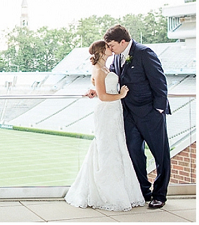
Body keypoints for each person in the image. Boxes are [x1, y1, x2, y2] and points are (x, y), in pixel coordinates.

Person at [66, 40, 145, 212]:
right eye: (107, 47)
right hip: (107, 112)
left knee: (115, 147)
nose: (110, 49)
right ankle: (107, 192)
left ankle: (120, 190)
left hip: (114, 112)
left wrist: (98, 91)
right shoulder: (98, 70)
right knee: (107, 148)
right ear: (101, 51)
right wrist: (121, 94)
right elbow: (103, 97)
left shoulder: (105, 68)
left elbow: (100, 90)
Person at [100, 25, 171, 209]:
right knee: (134, 152)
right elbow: (114, 82)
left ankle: (160, 195)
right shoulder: (116, 56)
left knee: (160, 154)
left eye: (112, 44)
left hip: (150, 113)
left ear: (123, 42)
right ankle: (143, 190)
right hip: (129, 114)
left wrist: (159, 110)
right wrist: (95, 91)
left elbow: (159, 81)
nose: (110, 48)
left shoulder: (144, 53)